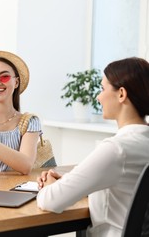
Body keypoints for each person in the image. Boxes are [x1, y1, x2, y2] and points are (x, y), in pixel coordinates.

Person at [36, 57, 149, 236]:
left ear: (121, 94)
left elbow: (50, 201)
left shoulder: (117, 149)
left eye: (103, 89)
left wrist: (49, 185)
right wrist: (70, 180)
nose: (98, 96)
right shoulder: (141, 142)